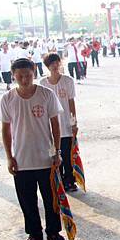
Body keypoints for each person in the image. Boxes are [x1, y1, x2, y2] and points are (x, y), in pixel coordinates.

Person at [0, 58, 66, 240]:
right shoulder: (8, 98)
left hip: (46, 158)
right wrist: (9, 157)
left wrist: (57, 152)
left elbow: (55, 125)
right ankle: (34, 234)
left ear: (34, 72)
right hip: (21, 160)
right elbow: (6, 130)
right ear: (13, 76)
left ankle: (53, 231)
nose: (24, 80)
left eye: (27, 75)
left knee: (51, 198)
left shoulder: (46, 94)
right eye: (20, 76)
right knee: (27, 201)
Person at [40, 53, 79, 193]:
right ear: (47, 67)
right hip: (50, 128)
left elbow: (71, 102)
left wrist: (73, 122)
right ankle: (59, 181)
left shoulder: (68, 81)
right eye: (51, 64)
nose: (55, 66)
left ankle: (70, 180)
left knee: (67, 155)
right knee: (55, 155)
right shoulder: (43, 84)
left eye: (57, 63)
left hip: (66, 127)